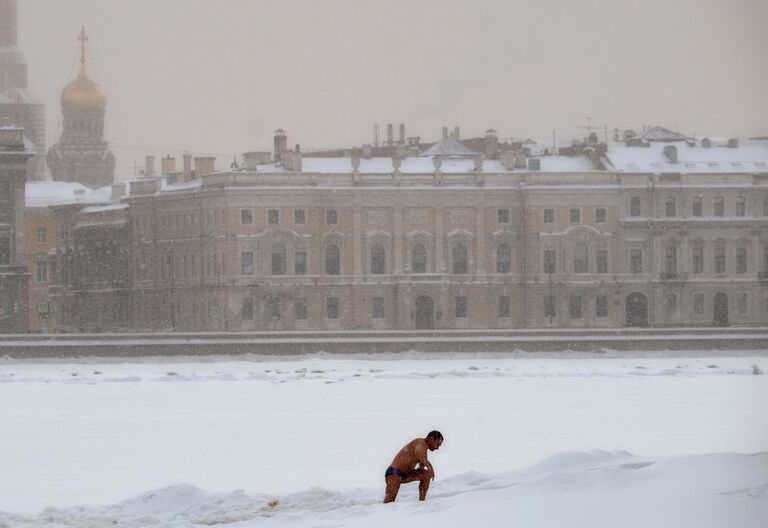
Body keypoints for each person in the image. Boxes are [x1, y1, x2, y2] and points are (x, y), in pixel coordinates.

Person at [383, 430, 443, 503]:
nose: (437, 448)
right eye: (437, 444)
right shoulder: (420, 443)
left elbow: (422, 463)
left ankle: (422, 502)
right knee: (388, 502)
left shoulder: (424, 449)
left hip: (407, 474)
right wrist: (431, 468)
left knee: (426, 475)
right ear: (431, 439)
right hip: (394, 473)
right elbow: (421, 456)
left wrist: (422, 470)